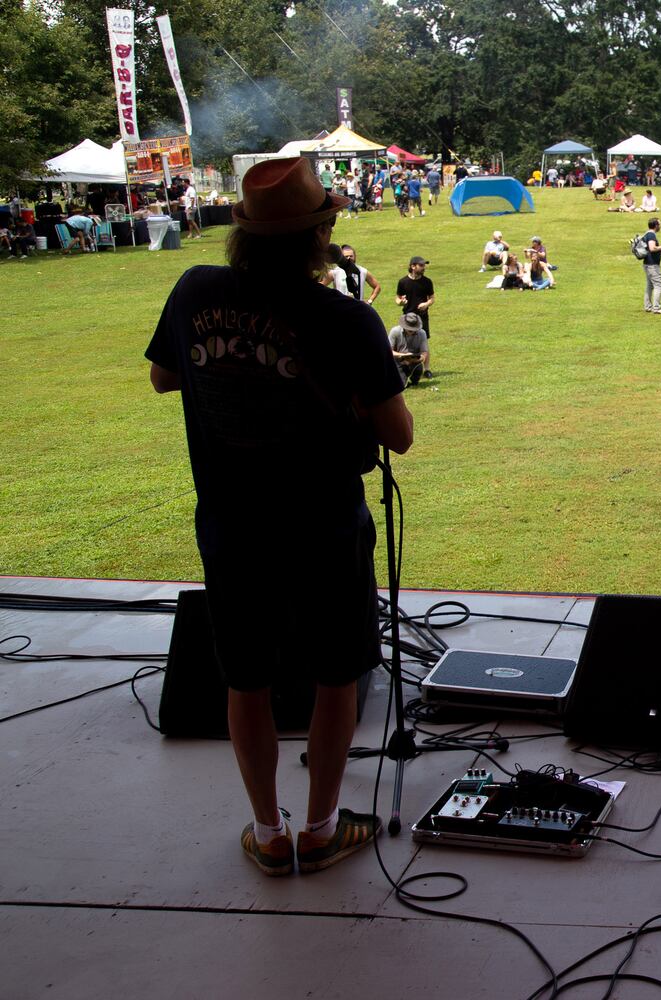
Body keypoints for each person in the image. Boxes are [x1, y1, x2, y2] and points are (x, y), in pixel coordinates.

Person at [144, 156, 413, 878]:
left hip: (232, 527)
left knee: (246, 681)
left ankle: (268, 833)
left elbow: (163, 376)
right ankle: (321, 829)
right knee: (335, 679)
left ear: (242, 233)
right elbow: (399, 434)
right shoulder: (345, 319)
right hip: (324, 527)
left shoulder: (195, 289)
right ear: (319, 234)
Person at [396, 256, 435, 378]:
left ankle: (427, 369)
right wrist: (400, 302)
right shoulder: (403, 282)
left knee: (424, 342)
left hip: (422, 316)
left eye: (424, 265)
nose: (424, 268)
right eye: (421, 265)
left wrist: (426, 304)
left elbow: (432, 298)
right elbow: (397, 298)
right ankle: (406, 366)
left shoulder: (427, 282)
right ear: (413, 266)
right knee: (406, 342)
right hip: (407, 316)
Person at [388, 311, 429, 381]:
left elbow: (424, 352)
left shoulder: (422, 333)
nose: (411, 330)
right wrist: (402, 355)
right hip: (398, 361)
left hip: (415, 361)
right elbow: (388, 351)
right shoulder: (395, 331)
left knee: (417, 374)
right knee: (401, 384)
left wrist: (417, 359)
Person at [640, 217, 661, 314]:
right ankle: (656, 308)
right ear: (656, 225)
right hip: (652, 265)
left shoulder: (647, 234)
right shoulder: (651, 235)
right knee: (658, 285)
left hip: (647, 263)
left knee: (649, 285)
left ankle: (648, 306)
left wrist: (660, 250)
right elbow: (652, 248)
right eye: (659, 224)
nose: (660, 226)